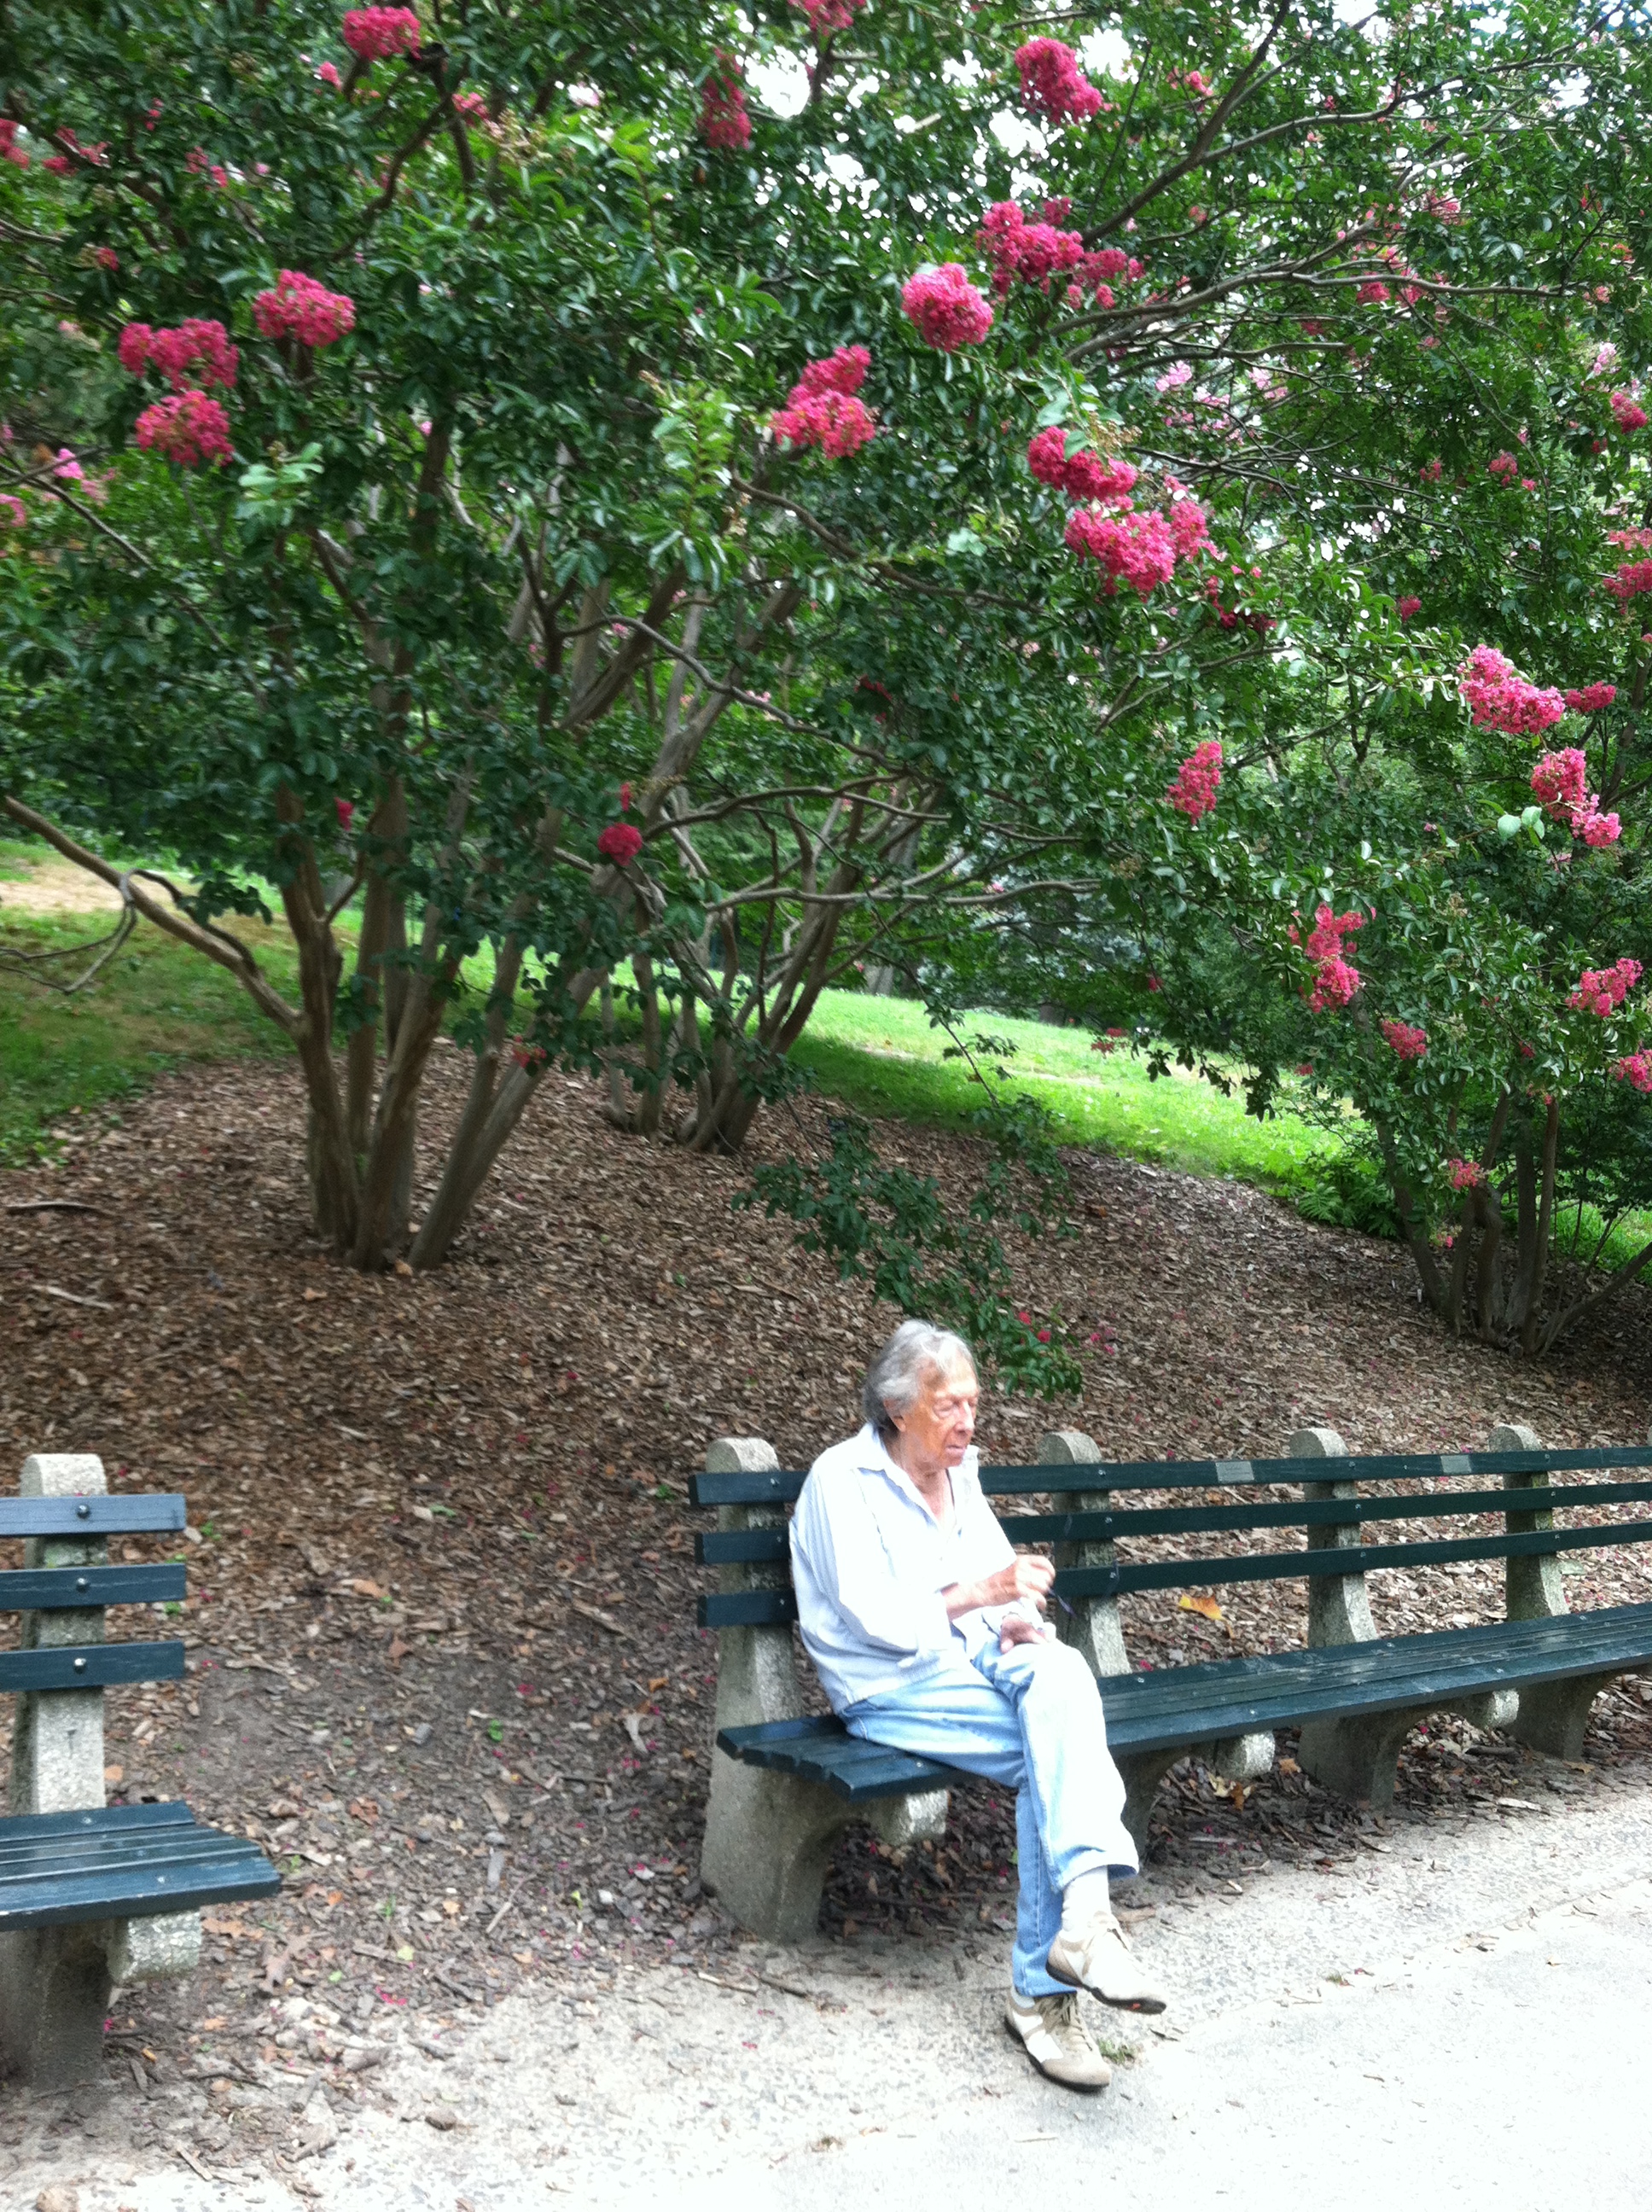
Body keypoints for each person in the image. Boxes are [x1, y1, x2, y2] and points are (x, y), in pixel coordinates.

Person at [789, 1318, 1166, 2093]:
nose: (967, 1422)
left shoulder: (961, 1477)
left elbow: (994, 1587)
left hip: (967, 1665)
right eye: (948, 1406)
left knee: (1058, 1672)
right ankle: (1043, 1995)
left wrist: (1014, 1621)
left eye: (973, 1404)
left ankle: (1085, 1922)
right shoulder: (840, 1481)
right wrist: (986, 1596)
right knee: (1049, 1745)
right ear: (898, 1408)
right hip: (887, 1687)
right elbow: (880, 1623)